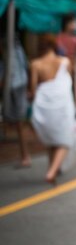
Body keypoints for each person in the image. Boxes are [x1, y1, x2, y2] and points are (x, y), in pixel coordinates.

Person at [29, 34, 76, 184]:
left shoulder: (35, 64)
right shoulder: (65, 62)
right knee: (64, 140)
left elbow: (33, 89)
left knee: (50, 138)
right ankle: (52, 171)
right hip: (62, 105)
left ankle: (53, 167)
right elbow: (70, 84)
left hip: (43, 106)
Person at [1, 38, 31, 168]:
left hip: (15, 87)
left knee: (19, 121)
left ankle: (25, 155)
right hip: (16, 86)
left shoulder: (14, 50)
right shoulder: (16, 50)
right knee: (19, 122)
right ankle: (25, 155)